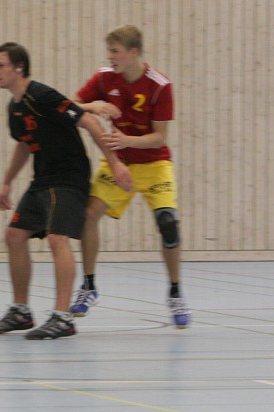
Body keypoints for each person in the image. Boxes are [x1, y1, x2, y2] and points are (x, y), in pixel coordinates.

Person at [0, 42, 133, 340]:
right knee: (14, 236)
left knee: (57, 238)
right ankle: (21, 311)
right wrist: (6, 182)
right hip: (43, 178)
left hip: (68, 178)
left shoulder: (41, 94)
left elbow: (88, 121)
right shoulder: (15, 108)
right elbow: (25, 144)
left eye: (0, 65)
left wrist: (115, 164)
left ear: (18, 67)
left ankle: (63, 317)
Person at [70, 24, 190, 328]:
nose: (110, 57)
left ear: (133, 52)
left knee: (168, 225)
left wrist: (126, 141)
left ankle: (175, 292)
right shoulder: (104, 78)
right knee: (88, 215)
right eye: (109, 51)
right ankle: (88, 286)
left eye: (115, 51)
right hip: (118, 163)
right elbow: (68, 108)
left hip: (154, 164)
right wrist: (92, 105)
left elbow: (159, 138)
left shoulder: (160, 86)